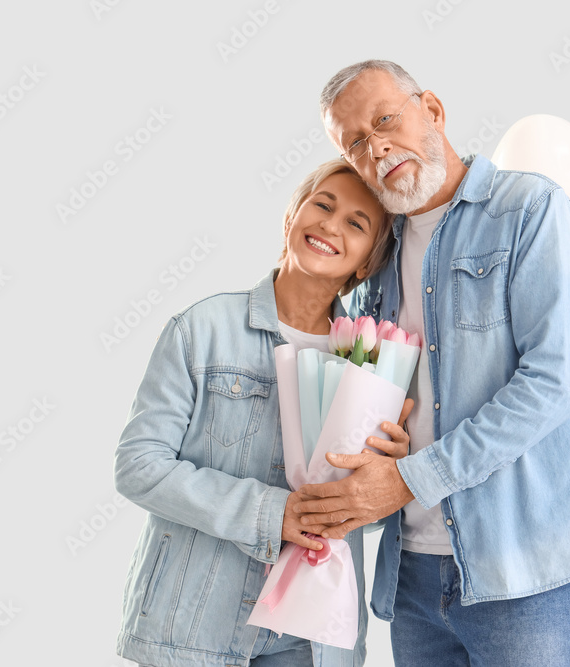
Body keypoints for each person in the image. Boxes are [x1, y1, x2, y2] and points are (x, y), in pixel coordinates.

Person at [292, 60, 570, 666]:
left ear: (433, 110)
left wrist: (407, 479)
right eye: (355, 143)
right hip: (413, 578)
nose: (376, 147)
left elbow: (552, 382)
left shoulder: (530, 211)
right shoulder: (379, 254)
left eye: (385, 120)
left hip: (522, 568)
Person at [113, 158, 411, 667]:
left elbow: (367, 522)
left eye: (356, 224)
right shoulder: (201, 329)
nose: (329, 226)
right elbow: (138, 467)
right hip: (196, 623)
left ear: (367, 263)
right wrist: (271, 514)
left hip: (312, 638)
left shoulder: (378, 361)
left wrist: (388, 481)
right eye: (322, 205)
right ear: (293, 214)